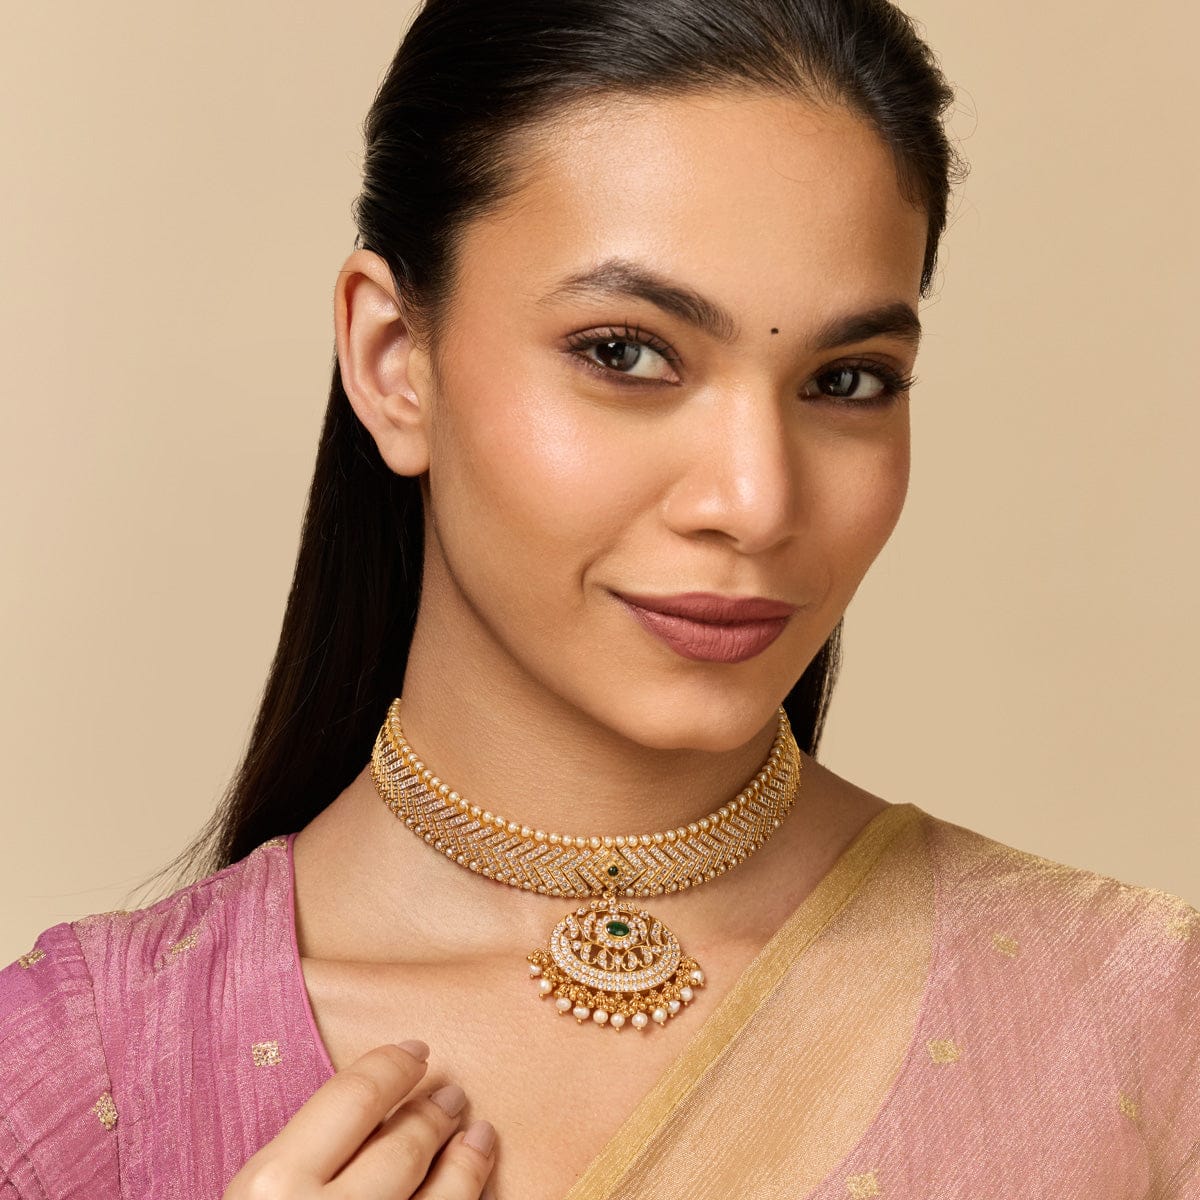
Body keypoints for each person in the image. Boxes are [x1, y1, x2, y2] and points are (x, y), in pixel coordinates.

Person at [2, 0, 1197, 1196]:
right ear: (393, 362)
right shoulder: (69, 1083)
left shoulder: (1137, 1029)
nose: (755, 502)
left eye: (847, 380)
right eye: (625, 352)